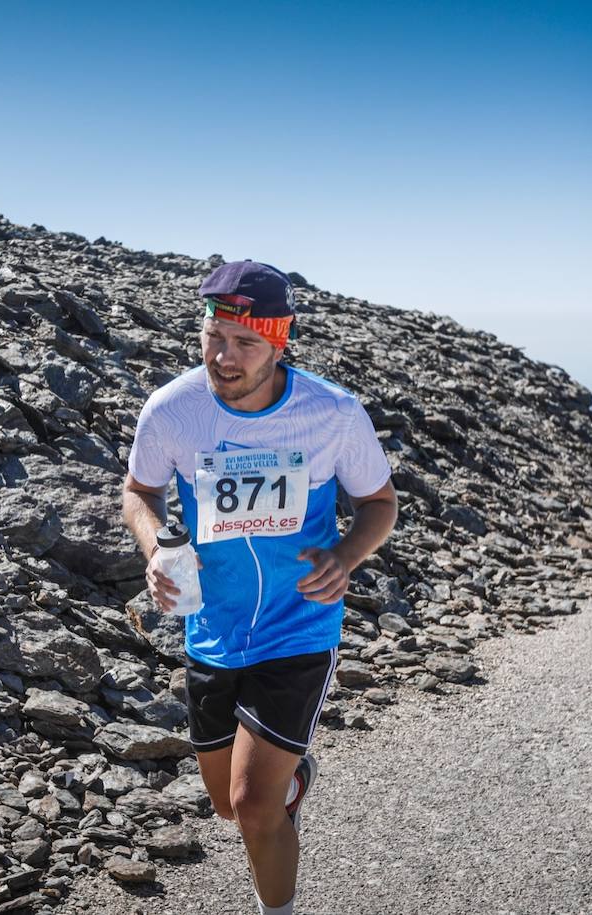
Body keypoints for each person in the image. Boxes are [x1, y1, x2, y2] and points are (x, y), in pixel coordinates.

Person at [122, 260, 397, 915]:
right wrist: (158, 547)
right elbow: (139, 491)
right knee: (225, 803)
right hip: (212, 625)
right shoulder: (173, 409)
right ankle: (293, 782)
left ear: (281, 340)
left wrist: (347, 554)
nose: (225, 356)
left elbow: (380, 503)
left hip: (300, 622)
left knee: (252, 806)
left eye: (246, 342)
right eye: (215, 336)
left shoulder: (331, 412)